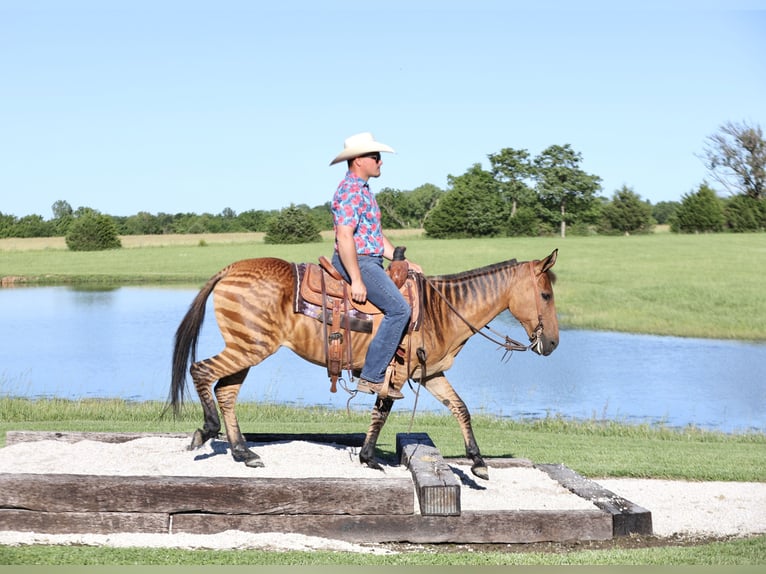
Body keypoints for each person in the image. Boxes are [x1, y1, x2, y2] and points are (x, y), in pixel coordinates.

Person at [329, 132, 422, 400]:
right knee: (399, 309)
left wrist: (401, 260)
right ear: (358, 160)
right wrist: (356, 279)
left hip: (369, 259)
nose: (380, 162)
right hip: (357, 262)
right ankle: (372, 377)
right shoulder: (349, 192)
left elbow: (375, 237)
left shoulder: (363, 191)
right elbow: (345, 236)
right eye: (375, 156)